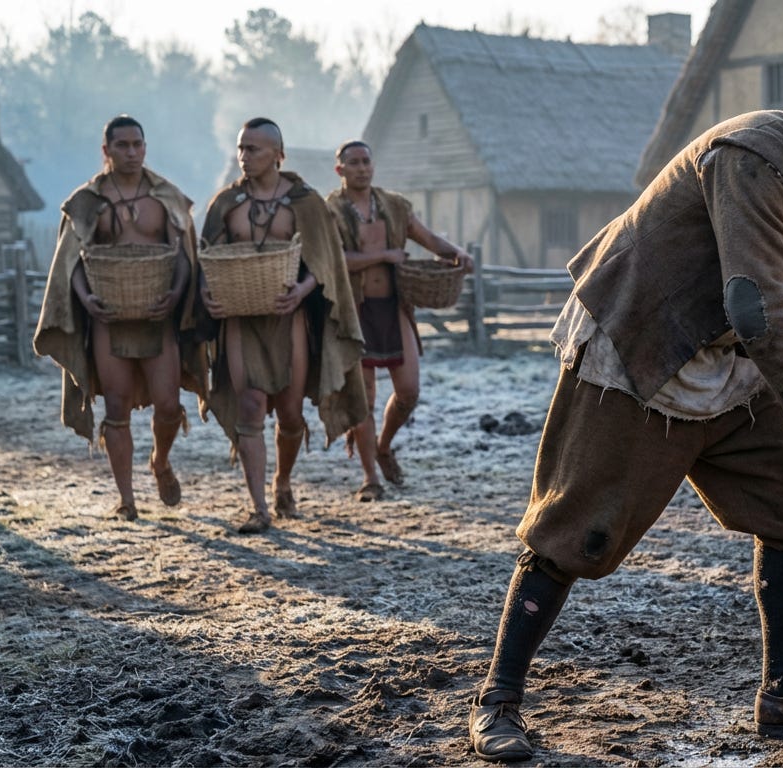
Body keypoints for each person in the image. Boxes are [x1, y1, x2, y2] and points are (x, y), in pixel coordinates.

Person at [468, 37, 783, 761]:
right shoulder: (759, 155)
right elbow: (755, 303)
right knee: (578, 532)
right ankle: (497, 701)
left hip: (731, 364)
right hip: (641, 346)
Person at [34, 114, 208, 522]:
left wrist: (176, 294)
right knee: (116, 406)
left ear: (145, 148)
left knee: (168, 405)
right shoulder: (88, 201)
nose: (131, 152)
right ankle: (126, 500)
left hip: (157, 317)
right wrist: (87, 299)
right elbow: (71, 263)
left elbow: (182, 254)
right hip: (108, 318)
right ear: (106, 150)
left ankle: (160, 461)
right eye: (122, 145)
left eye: (137, 145)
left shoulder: (167, 197)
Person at [198, 117, 367, 534]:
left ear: (278, 153)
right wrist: (208, 296)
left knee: (291, 415)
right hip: (240, 319)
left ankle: (283, 481)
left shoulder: (305, 202)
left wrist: (303, 289)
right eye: (240, 148)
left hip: (288, 317)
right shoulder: (225, 203)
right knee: (251, 405)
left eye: (253, 149)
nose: (244, 157)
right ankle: (258, 508)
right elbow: (206, 260)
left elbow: (324, 260)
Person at [326, 140, 474, 502]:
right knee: (364, 398)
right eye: (353, 163)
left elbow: (427, 237)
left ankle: (383, 446)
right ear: (340, 170)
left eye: (366, 161)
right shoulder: (330, 211)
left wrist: (456, 253)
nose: (361, 168)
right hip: (354, 312)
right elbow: (330, 260)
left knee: (408, 391)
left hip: (393, 307)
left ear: (373, 166)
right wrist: (383, 255)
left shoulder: (394, 206)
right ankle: (369, 478)